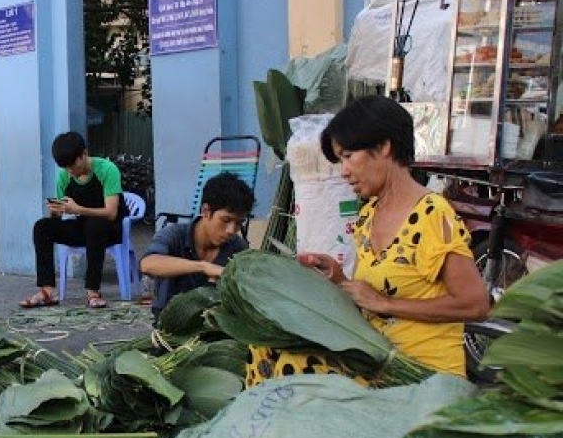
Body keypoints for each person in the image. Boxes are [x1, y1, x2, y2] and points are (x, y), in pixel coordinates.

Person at [247, 95, 490, 385]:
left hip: (419, 374)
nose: (344, 171)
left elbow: (475, 305)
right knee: (262, 346)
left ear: (384, 146)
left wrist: (387, 304)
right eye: (339, 161)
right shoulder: (368, 216)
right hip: (375, 359)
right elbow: (371, 294)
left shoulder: (432, 214)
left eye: (348, 156)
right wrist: (337, 280)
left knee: (296, 368)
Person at [21, 131, 125, 310]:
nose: (71, 171)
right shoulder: (64, 175)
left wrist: (78, 209)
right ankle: (47, 291)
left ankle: (93, 291)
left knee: (95, 225)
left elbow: (111, 213)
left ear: (83, 154)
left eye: (73, 165)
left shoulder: (107, 169)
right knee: (42, 227)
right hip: (83, 228)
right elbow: (61, 215)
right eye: (66, 168)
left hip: (109, 229)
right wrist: (56, 211)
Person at [140, 171, 255, 316]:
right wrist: (203, 267)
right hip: (170, 326)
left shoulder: (237, 247)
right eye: (225, 220)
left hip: (215, 328)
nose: (231, 230)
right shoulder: (175, 235)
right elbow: (147, 264)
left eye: (239, 223)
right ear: (206, 211)